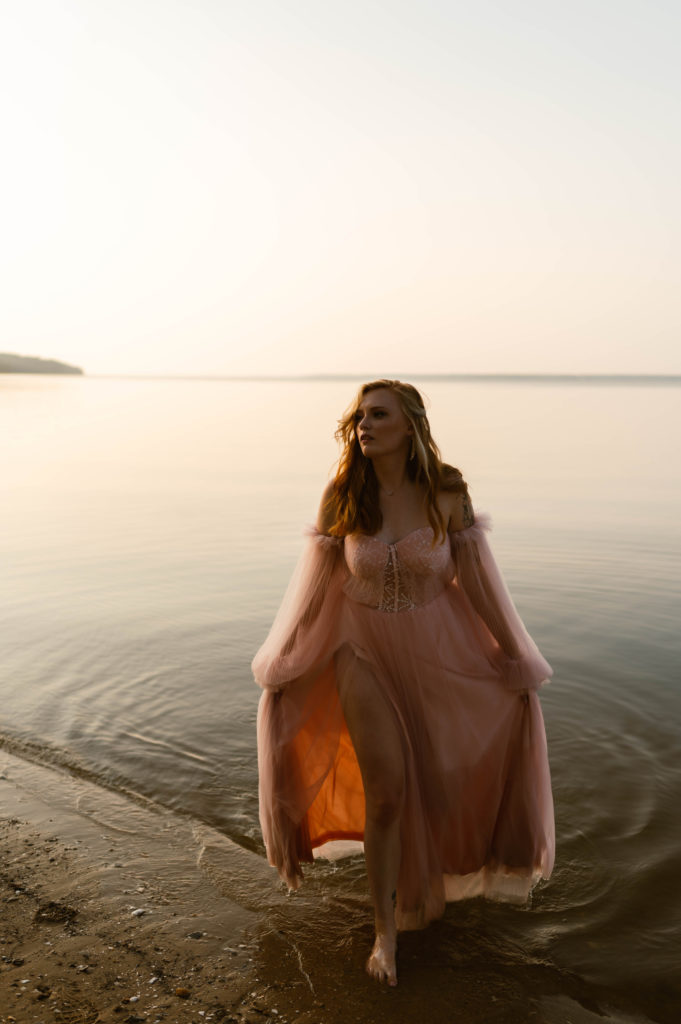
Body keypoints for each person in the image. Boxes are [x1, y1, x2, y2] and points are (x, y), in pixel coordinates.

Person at [252, 379, 554, 987]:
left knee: (440, 780)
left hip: (439, 651)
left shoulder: (447, 494)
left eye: (379, 415)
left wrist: (516, 659)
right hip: (358, 649)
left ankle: (427, 886)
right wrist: (282, 659)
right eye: (360, 416)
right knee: (387, 791)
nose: (364, 425)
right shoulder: (343, 495)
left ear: (409, 424)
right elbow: (314, 590)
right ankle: (385, 935)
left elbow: (479, 584)